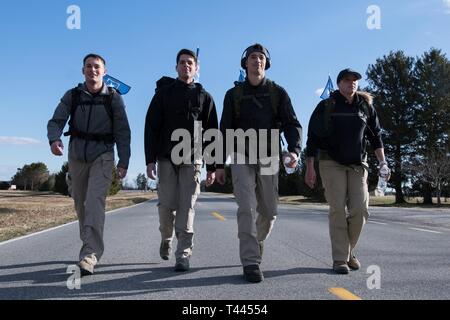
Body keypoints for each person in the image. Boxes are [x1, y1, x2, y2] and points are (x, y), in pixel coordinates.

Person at [216, 43, 302, 283]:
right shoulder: (233, 95)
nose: (257, 61)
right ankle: (251, 262)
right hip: (241, 156)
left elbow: (291, 124)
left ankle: (257, 240)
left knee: (270, 211)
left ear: (266, 63)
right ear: (245, 63)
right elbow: (225, 130)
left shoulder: (278, 92)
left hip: (269, 156)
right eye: (252, 57)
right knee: (246, 207)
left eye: (261, 57)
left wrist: (294, 150)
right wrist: (219, 164)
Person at [47, 53, 131, 276]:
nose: (93, 70)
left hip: (102, 155)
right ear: (83, 70)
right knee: (81, 205)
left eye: (97, 67)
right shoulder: (73, 95)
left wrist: (124, 161)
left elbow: (123, 131)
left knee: (94, 204)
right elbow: (56, 120)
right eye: (88, 66)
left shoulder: (113, 98)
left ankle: (89, 255)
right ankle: (89, 243)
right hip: (76, 156)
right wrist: (54, 139)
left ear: (104, 71)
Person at [304, 68, 390, 274]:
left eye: (355, 80)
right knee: (337, 211)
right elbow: (312, 139)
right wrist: (309, 168)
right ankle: (340, 259)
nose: (351, 83)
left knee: (361, 210)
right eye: (346, 80)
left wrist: (383, 162)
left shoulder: (365, 107)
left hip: (358, 165)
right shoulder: (326, 106)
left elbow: (376, 137)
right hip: (331, 163)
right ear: (339, 83)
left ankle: (348, 251)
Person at [144, 49, 218, 272]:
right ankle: (166, 238)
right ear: (176, 67)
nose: (186, 66)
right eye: (182, 63)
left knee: (187, 207)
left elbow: (212, 133)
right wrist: (150, 160)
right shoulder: (163, 95)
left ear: (197, 68)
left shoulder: (205, 97)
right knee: (166, 207)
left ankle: (183, 254)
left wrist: (212, 166)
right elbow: (151, 128)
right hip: (166, 158)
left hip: (192, 159)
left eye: (190, 63)